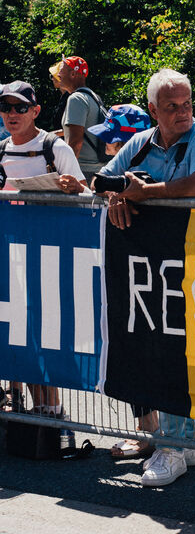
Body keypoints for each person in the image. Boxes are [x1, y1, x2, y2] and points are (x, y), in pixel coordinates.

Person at [94, 69, 195, 487]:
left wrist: (141, 193)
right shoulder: (140, 141)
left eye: (188, 104)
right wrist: (116, 196)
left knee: (178, 350)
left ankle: (174, 446)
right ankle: (182, 444)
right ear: (153, 110)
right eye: (172, 107)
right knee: (161, 345)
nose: (183, 112)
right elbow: (100, 179)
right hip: (154, 264)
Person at [0, 80, 88, 419]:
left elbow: (86, 196)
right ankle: (29, 407)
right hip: (11, 254)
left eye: (20, 107)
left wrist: (72, 189)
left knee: (42, 331)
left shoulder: (54, 147)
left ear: (35, 111)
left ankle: (51, 412)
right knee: (17, 331)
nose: (12, 114)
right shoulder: (1, 150)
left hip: (48, 255)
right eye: (6, 107)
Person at [89, 103, 159, 459]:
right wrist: (113, 192)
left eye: (114, 140)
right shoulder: (123, 174)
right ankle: (151, 432)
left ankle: (154, 436)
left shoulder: (151, 171)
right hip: (131, 271)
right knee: (132, 345)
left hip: (150, 275)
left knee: (144, 348)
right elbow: (98, 183)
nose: (107, 147)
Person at [56, 55, 109, 184]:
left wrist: (67, 171)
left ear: (73, 74)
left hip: (83, 170)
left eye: (61, 70)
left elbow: (75, 141)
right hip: (97, 168)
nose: (58, 75)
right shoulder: (92, 96)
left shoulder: (76, 99)